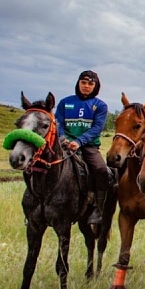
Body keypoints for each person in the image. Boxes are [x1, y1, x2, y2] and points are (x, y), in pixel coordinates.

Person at [55, 70, 110, 224]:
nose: (86, 86)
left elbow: (97, 128)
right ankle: (36, 204)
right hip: (63, 145)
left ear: (96, 86)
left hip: (88, 146)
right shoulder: (65, 102)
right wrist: (63, 139)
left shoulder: (100, 105)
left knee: (101, 169)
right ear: (78, 83)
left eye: (90, 83)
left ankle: (97, 209)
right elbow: (58, 123)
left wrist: (79, 141)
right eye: (83, 82)